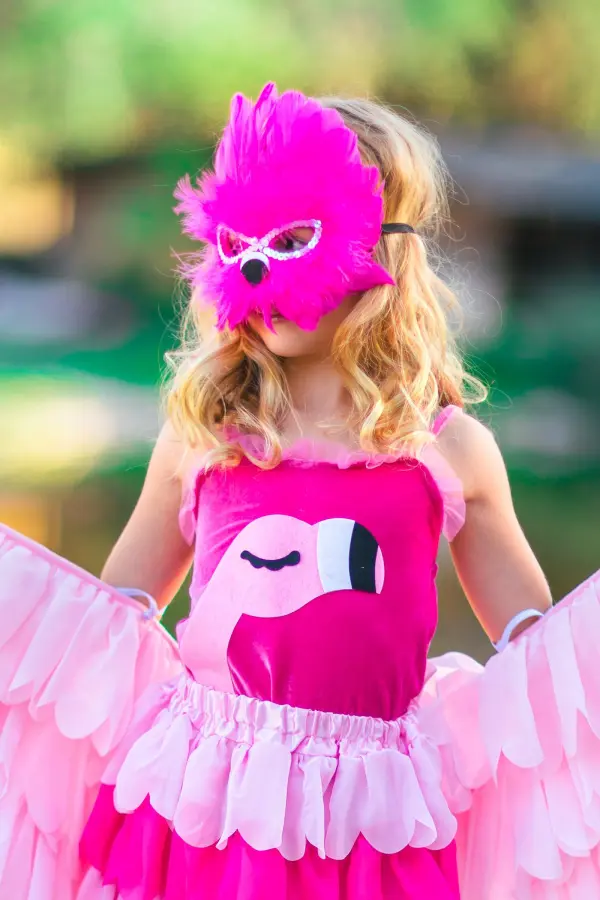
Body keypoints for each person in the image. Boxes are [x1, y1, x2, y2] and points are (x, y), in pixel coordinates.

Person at [0, 83, 598, 900]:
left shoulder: (447, 449)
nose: (260, 267)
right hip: (211, 806)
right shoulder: (207, 435)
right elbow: (108, 629)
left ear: (379, 247)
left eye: (292, 238)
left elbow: (540, 667)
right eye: (241, 239)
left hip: (373, 820)